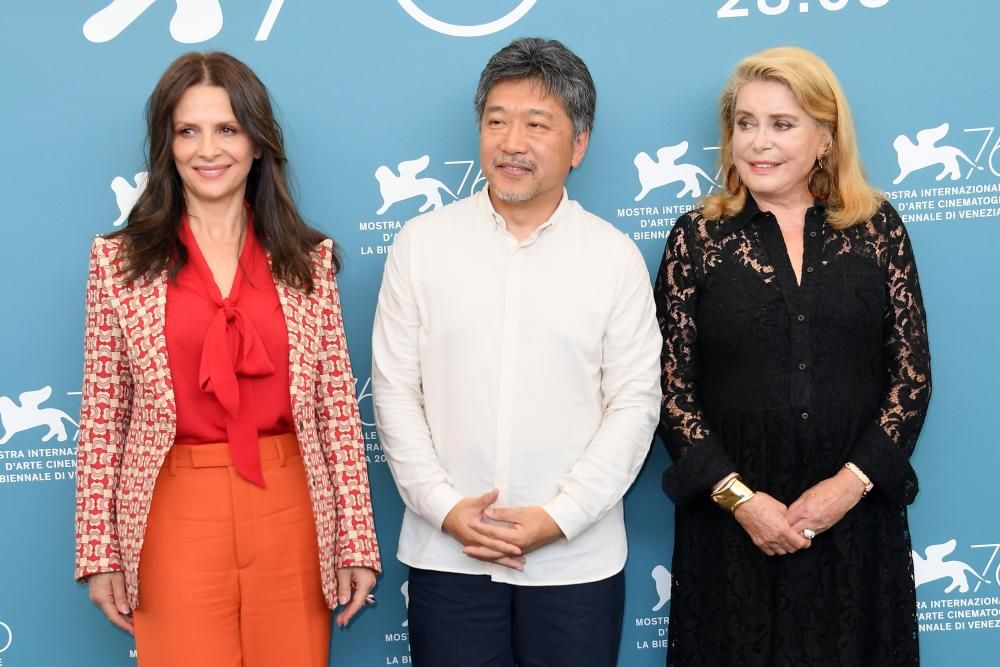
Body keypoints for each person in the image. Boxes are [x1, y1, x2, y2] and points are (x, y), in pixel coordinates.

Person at [74, 52, 380, 667]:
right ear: (166, 144)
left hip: (291, 505)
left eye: (228, 129)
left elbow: (337, 411)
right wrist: (99, 551)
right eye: (188, 130)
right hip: (172, 508)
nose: (208, 149)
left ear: (258, 143)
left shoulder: (308, 260)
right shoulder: (117, 263)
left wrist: (356, 542)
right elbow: (104, 417)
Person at [372, 37, 661, 667]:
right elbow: (394, 392)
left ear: (578, 144)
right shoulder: (421, 245)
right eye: (496, 121)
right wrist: (446, 510)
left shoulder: (612, 259)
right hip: (448, 560)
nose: (512, 142)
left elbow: (635, 405)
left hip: (575, 563)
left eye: (537, 125)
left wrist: (558, 517)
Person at [655, 46, 931, 666]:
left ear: (825, 138)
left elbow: (911, 376)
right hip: (731, 530)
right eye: (745, 123)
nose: (757, 142)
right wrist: (739, 498)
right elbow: (670, 389)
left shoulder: (878, 229)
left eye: (781, 124)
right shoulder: (697, 237)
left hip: (853, 526)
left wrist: (848, 487)